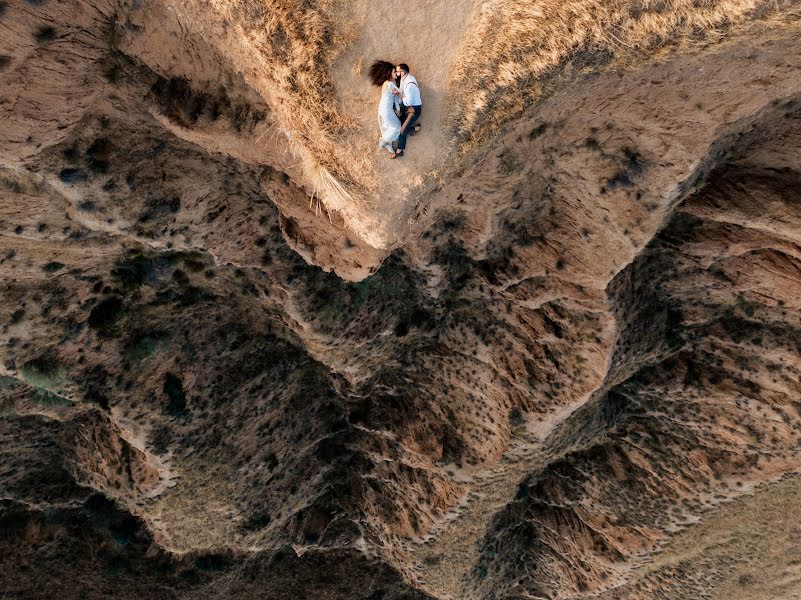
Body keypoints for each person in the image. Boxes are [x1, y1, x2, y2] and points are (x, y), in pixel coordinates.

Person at [368, 60, 402, 158]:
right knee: (397, 127)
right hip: (386, 110)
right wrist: (399, 108)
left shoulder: (387, 83)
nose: (396, 73)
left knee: (390, 127)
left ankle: (388, 143)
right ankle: (383, 141)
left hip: (384, 109)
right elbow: (398, 95)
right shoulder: (389, 84)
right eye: (394, 72)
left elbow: (395, 98)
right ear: (389, 74)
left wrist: (398, 110)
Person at [393, 63, 422, 158]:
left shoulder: (409, 85)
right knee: (400, 122)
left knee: (402, 130)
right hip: (408, 106)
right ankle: (413, 129)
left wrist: (400, 95)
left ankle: (399, 151)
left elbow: (407, 102)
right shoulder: (404, 78)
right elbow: (401, 91)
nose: (396, 73)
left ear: (402, 73)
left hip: (414, 109)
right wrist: (399, 95)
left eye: (397, 71)